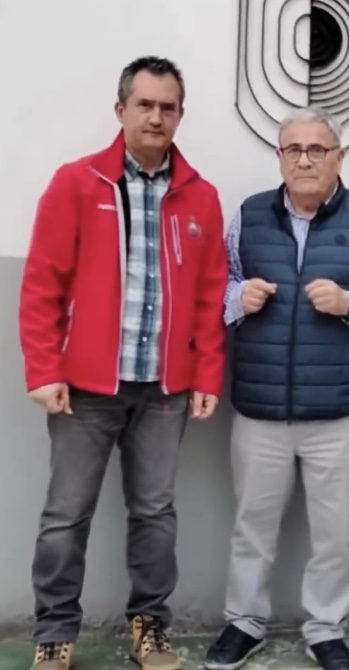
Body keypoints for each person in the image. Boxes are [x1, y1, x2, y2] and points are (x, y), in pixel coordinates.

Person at [18, 56, 228, 670]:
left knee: (155, 513)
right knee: (66, 516)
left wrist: (206, 374)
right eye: (145, 105)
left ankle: (150, 629)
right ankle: (54, 632)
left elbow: (210, 294)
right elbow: (42, 285)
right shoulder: (77, 183)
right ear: (121, 110)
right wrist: (44, 369)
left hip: (165, 389)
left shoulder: (201, 197)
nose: (156, 117)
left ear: (180, 115)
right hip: (85, 389)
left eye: (168, 107)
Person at [202, 106, 349, 670]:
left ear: (338, 158)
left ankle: (325, 629)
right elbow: (215, 286)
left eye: (317, 150)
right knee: (251, 527)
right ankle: (244, 623)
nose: (304, 160)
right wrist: (237, 298)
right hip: (260, 408)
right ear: (279, 157)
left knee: (336, 534)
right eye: (293, 150)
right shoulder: (248, 215)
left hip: (340, 410)